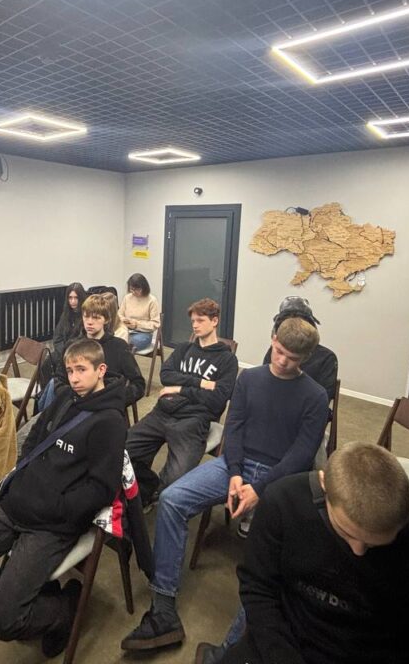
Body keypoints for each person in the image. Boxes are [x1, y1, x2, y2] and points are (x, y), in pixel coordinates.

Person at [120, 316, 329, 653]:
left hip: (280, 478)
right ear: (273, 340)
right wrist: (234, 473)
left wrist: (259, 488)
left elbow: (302, 454)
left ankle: (232, 649)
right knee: (172, 499)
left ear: (305, 358)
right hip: (235, 466)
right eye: (278, 351)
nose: (282, 361)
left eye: (292, 358)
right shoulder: (250, 379)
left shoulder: (315, 396)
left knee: (279, 546)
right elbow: (234, 429)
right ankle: (163, 610)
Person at [194, 442, 409, 664]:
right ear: (324, 487)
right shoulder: (283, 503)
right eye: (347, 534)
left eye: (374, 544)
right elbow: (258, 587)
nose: (358, 551)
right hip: (284, 644)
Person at [0, 339, 127, 658]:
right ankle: (35, 599)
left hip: (51, 525)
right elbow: (35, 438)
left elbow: (101, 489)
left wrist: (58, 508)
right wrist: (22, 479)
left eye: (82, 370)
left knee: (2, 622)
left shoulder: (110, 422)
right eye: (70, 370)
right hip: (16, 505)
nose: (74, 377)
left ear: (101, 369)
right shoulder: (64, 397)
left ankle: (61, 610)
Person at [125, 297, 238, 507]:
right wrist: (200, 383)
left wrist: (179, 388)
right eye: (193, 321)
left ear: (214, 321)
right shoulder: (184, 349)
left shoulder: (227, 359)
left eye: (200, 320)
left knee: (176, 480)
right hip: (163, 412)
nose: (195, 325)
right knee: (121, 452)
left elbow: (218, 400)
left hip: (193, 421)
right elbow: (166, 375)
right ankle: (148, 488)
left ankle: (154, 495)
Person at [261, 297, 337, 402]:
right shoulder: (274, 349)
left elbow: (323, 398)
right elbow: (264, 380)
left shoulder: (326, 358)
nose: (282, 361)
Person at [120, 273, 161, 352]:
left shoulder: (152, 300)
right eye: (131, 289)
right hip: (126, 329)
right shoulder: (127, 298)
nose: (133, 292)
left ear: (144, 288)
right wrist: (125, 321)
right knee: (114, 339)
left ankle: (124, 358)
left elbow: (155, 324)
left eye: (137, 289)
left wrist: (137, 324)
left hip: (143, 333)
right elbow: (119, 315)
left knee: (131, 342)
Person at [52, 282, 87, 355]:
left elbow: (83, 340)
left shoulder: (86, 315)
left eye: (76, 298)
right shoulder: (66, 314)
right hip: (63, 352)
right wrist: (64, 352)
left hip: (79, 353)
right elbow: (57, 338)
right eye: (70, 298)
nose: (73, 301)